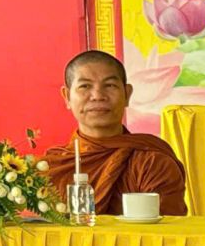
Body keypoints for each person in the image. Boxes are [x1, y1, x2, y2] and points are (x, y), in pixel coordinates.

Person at [44, 50, 188, 215]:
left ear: (127, 94)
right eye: (85, 86)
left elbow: (167, 228)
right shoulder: (51, 167)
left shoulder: (151, 162)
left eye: (110, 85)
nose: (98, 96)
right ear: (67, 97)